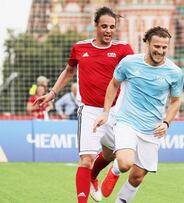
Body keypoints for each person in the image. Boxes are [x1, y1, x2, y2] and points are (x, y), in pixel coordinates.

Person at [34, 6, 134, 203]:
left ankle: (94, 178)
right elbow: (69, 71)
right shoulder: (80, 48)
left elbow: (137, 73)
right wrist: (52, 93)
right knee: (86, 160)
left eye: (112, 27)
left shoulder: (123, 49)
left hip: (115, 113)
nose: (108, 30)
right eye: (104, 26)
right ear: (95, 26)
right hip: (89, 111)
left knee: (110, 155)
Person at [93, 26, 183, 202]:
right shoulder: (129, 63)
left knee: (137, 177)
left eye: (164, 47)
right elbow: (113, 84)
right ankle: (116, 168)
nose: (160, 51)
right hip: (127, 121)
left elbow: (175, 101)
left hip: (152, 129)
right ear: (148, 44)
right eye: (157, 46)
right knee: (125, 163)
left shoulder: (175, 72)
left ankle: (119, 195)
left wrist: (166, 123)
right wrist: (105, 111)